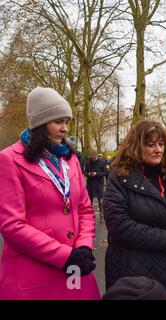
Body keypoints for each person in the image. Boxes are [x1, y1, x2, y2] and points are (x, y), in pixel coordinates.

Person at [0, 87, 100, 299]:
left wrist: (83, 248)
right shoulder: (9, 159)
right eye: (58, 122)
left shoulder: (70, 158)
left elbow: (85, 209)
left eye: (67, 121)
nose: (65, 129)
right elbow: (12, 226)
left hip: (76, 270)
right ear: (39, 124)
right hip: (34, 275)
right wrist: (65, 256)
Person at [103, 120, 166, 300]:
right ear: (136, 146)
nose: (158, 149)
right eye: (150, 145)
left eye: (161, 144)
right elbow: (119, 224)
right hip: (138, 268)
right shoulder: (119, 178)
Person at [84, 149, 107, 223]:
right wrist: (89, 174)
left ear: (97, 156)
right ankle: (89, 216)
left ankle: (102, 216)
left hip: (99, 184)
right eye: (92, 158)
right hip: (90, 184)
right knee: (89, 202)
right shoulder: (87, 163)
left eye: (94, 158)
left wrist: (97, 174)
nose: (93, 159)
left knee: (100, 201)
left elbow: (105, 172)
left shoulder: (102, 162)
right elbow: (85, 172)